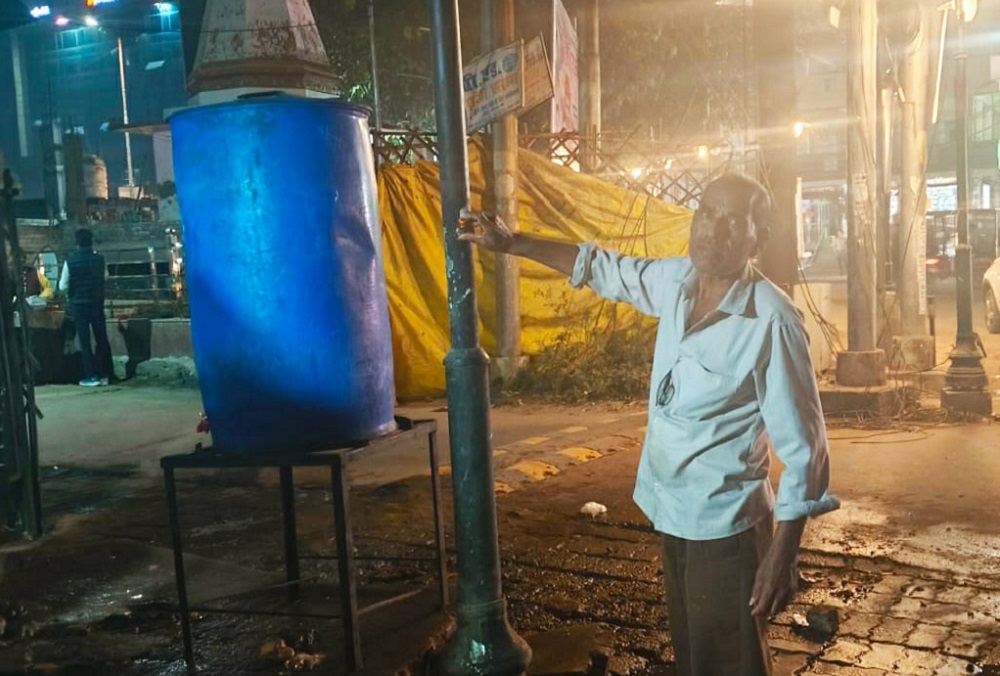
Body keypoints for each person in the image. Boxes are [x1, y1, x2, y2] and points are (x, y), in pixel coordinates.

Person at [459, 173, 838, 676]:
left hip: (724, 528)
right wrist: (511, 243)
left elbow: (807, 451)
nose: (713, 228)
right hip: (674, 515)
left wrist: (783, 553)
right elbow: (600, 268)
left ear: (757, 238)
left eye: (732, 220)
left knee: (727, 663)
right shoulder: (676, 283)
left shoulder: (772, 319)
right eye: (706, 211)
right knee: (695, 658)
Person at [58, 228, 111, 387]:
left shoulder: (70, 261)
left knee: (84, 340)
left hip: (78, 305)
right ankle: (106, 374)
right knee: (101, 338)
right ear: (91, 241)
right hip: (96, 303)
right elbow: (106, 278)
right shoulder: (100, 259)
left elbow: (62, 286)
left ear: (76, 243)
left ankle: (91, 376)